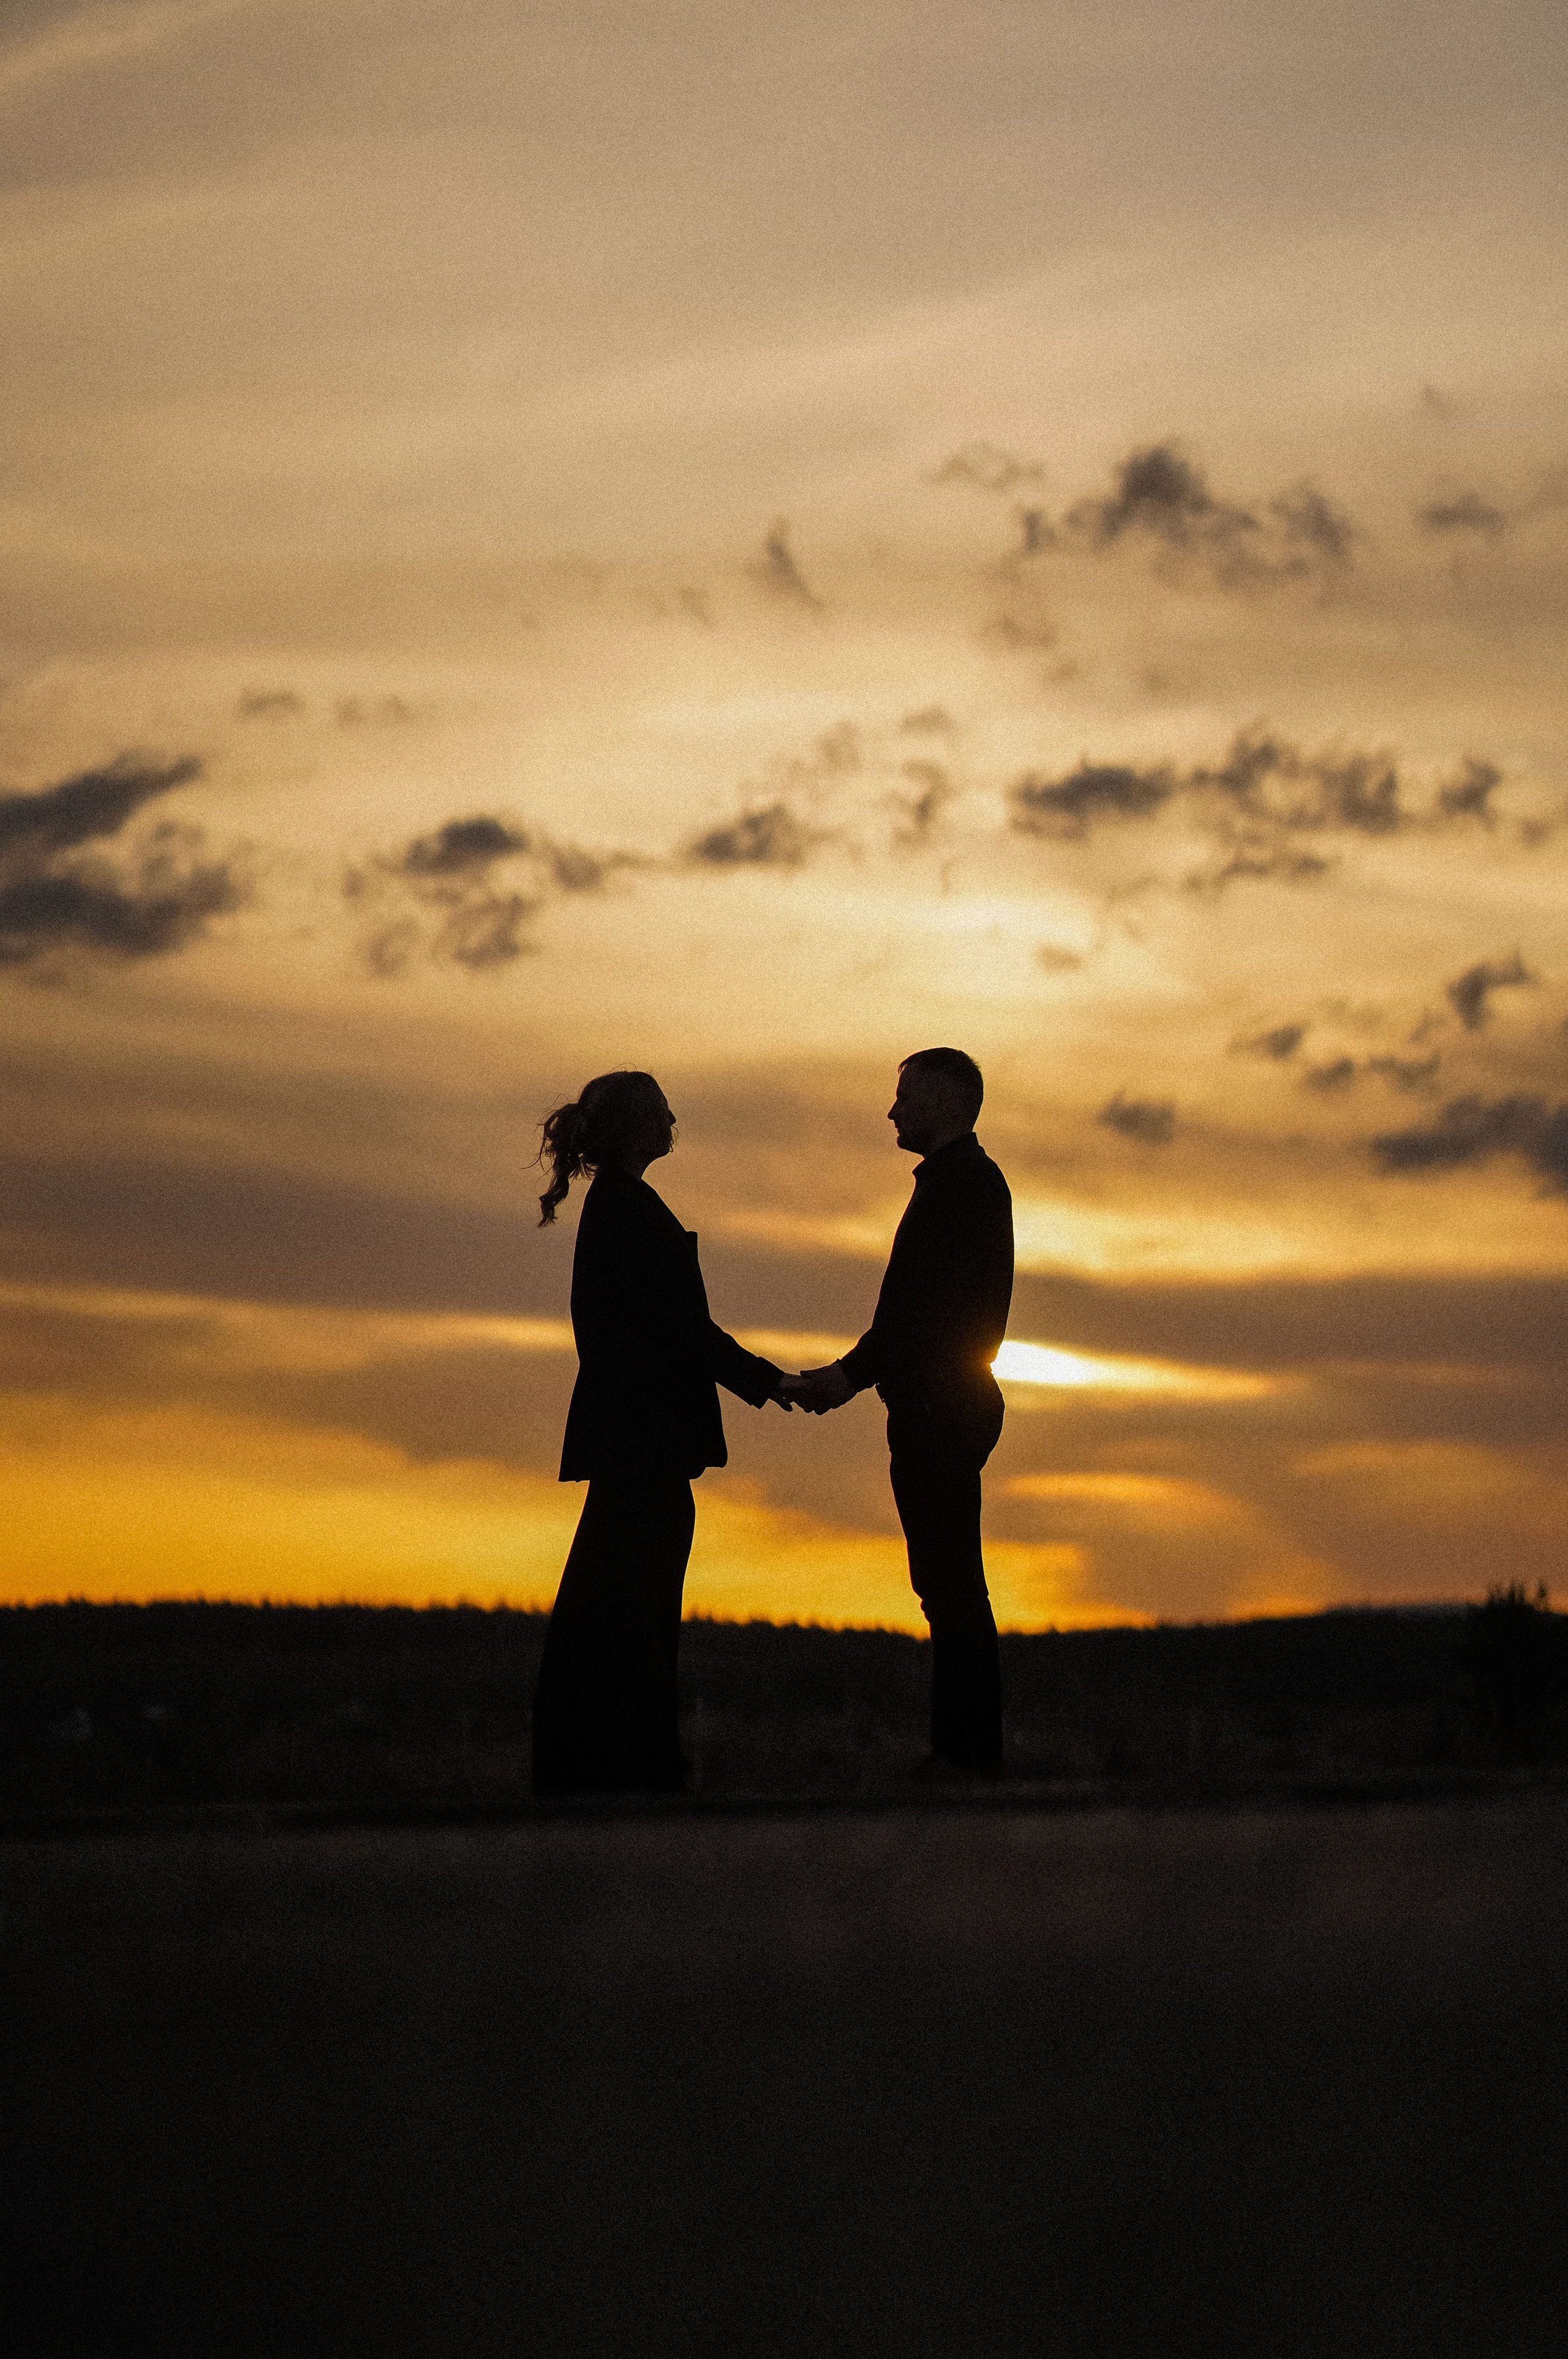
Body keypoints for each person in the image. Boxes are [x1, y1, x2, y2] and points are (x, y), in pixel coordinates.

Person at [531, 1068, 793, 1794]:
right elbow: (682, 1330)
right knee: (631, 1603)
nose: (675, 1118)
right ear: (640, 1126)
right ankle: (629, 1759)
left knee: (614, 1599)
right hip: (641, 1442)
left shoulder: (621, 1206)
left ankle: (605, 1756)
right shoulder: (626, 1209)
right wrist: (769, 1381)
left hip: (632, 1441)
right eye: (662, 1111)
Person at [785, 1048, 1014, 1772]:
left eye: (905, 1095)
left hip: (938, 1405)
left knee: (949, 1586)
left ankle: (967, 1755)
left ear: (947, 1100)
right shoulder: (958, 1183)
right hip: (941, 1401)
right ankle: (966, 1751)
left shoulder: (960, 1186)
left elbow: (918, 1314)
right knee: (946, 1583)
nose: (892, 1109)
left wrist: (847, 1376)